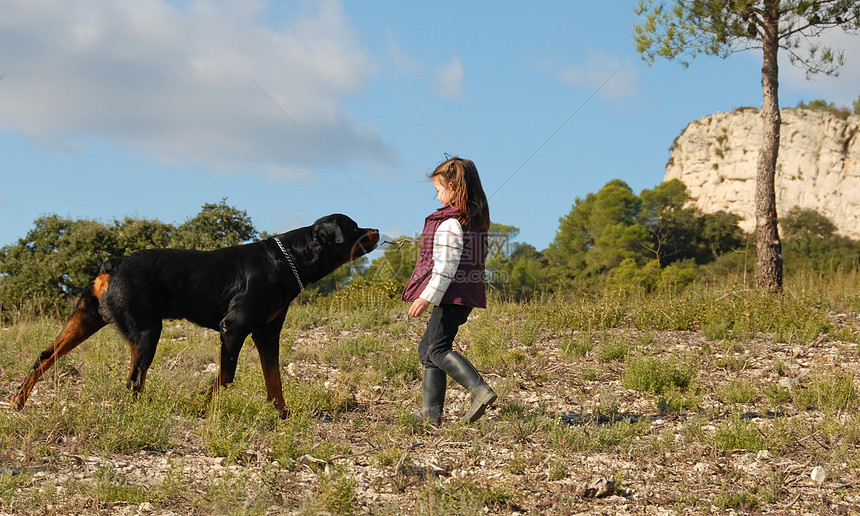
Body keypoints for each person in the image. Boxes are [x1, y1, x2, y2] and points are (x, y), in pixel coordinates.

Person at [402, 156, 497, 426]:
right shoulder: (470, 220)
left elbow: (445, 268)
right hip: (460, 296)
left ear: (453, 187)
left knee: (438, 348)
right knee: (429, 349)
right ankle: (430, 413)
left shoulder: (450, 223)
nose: (437, 196)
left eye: (439, 190)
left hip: (450, 295)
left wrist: (425, 297)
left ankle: (480, 391)